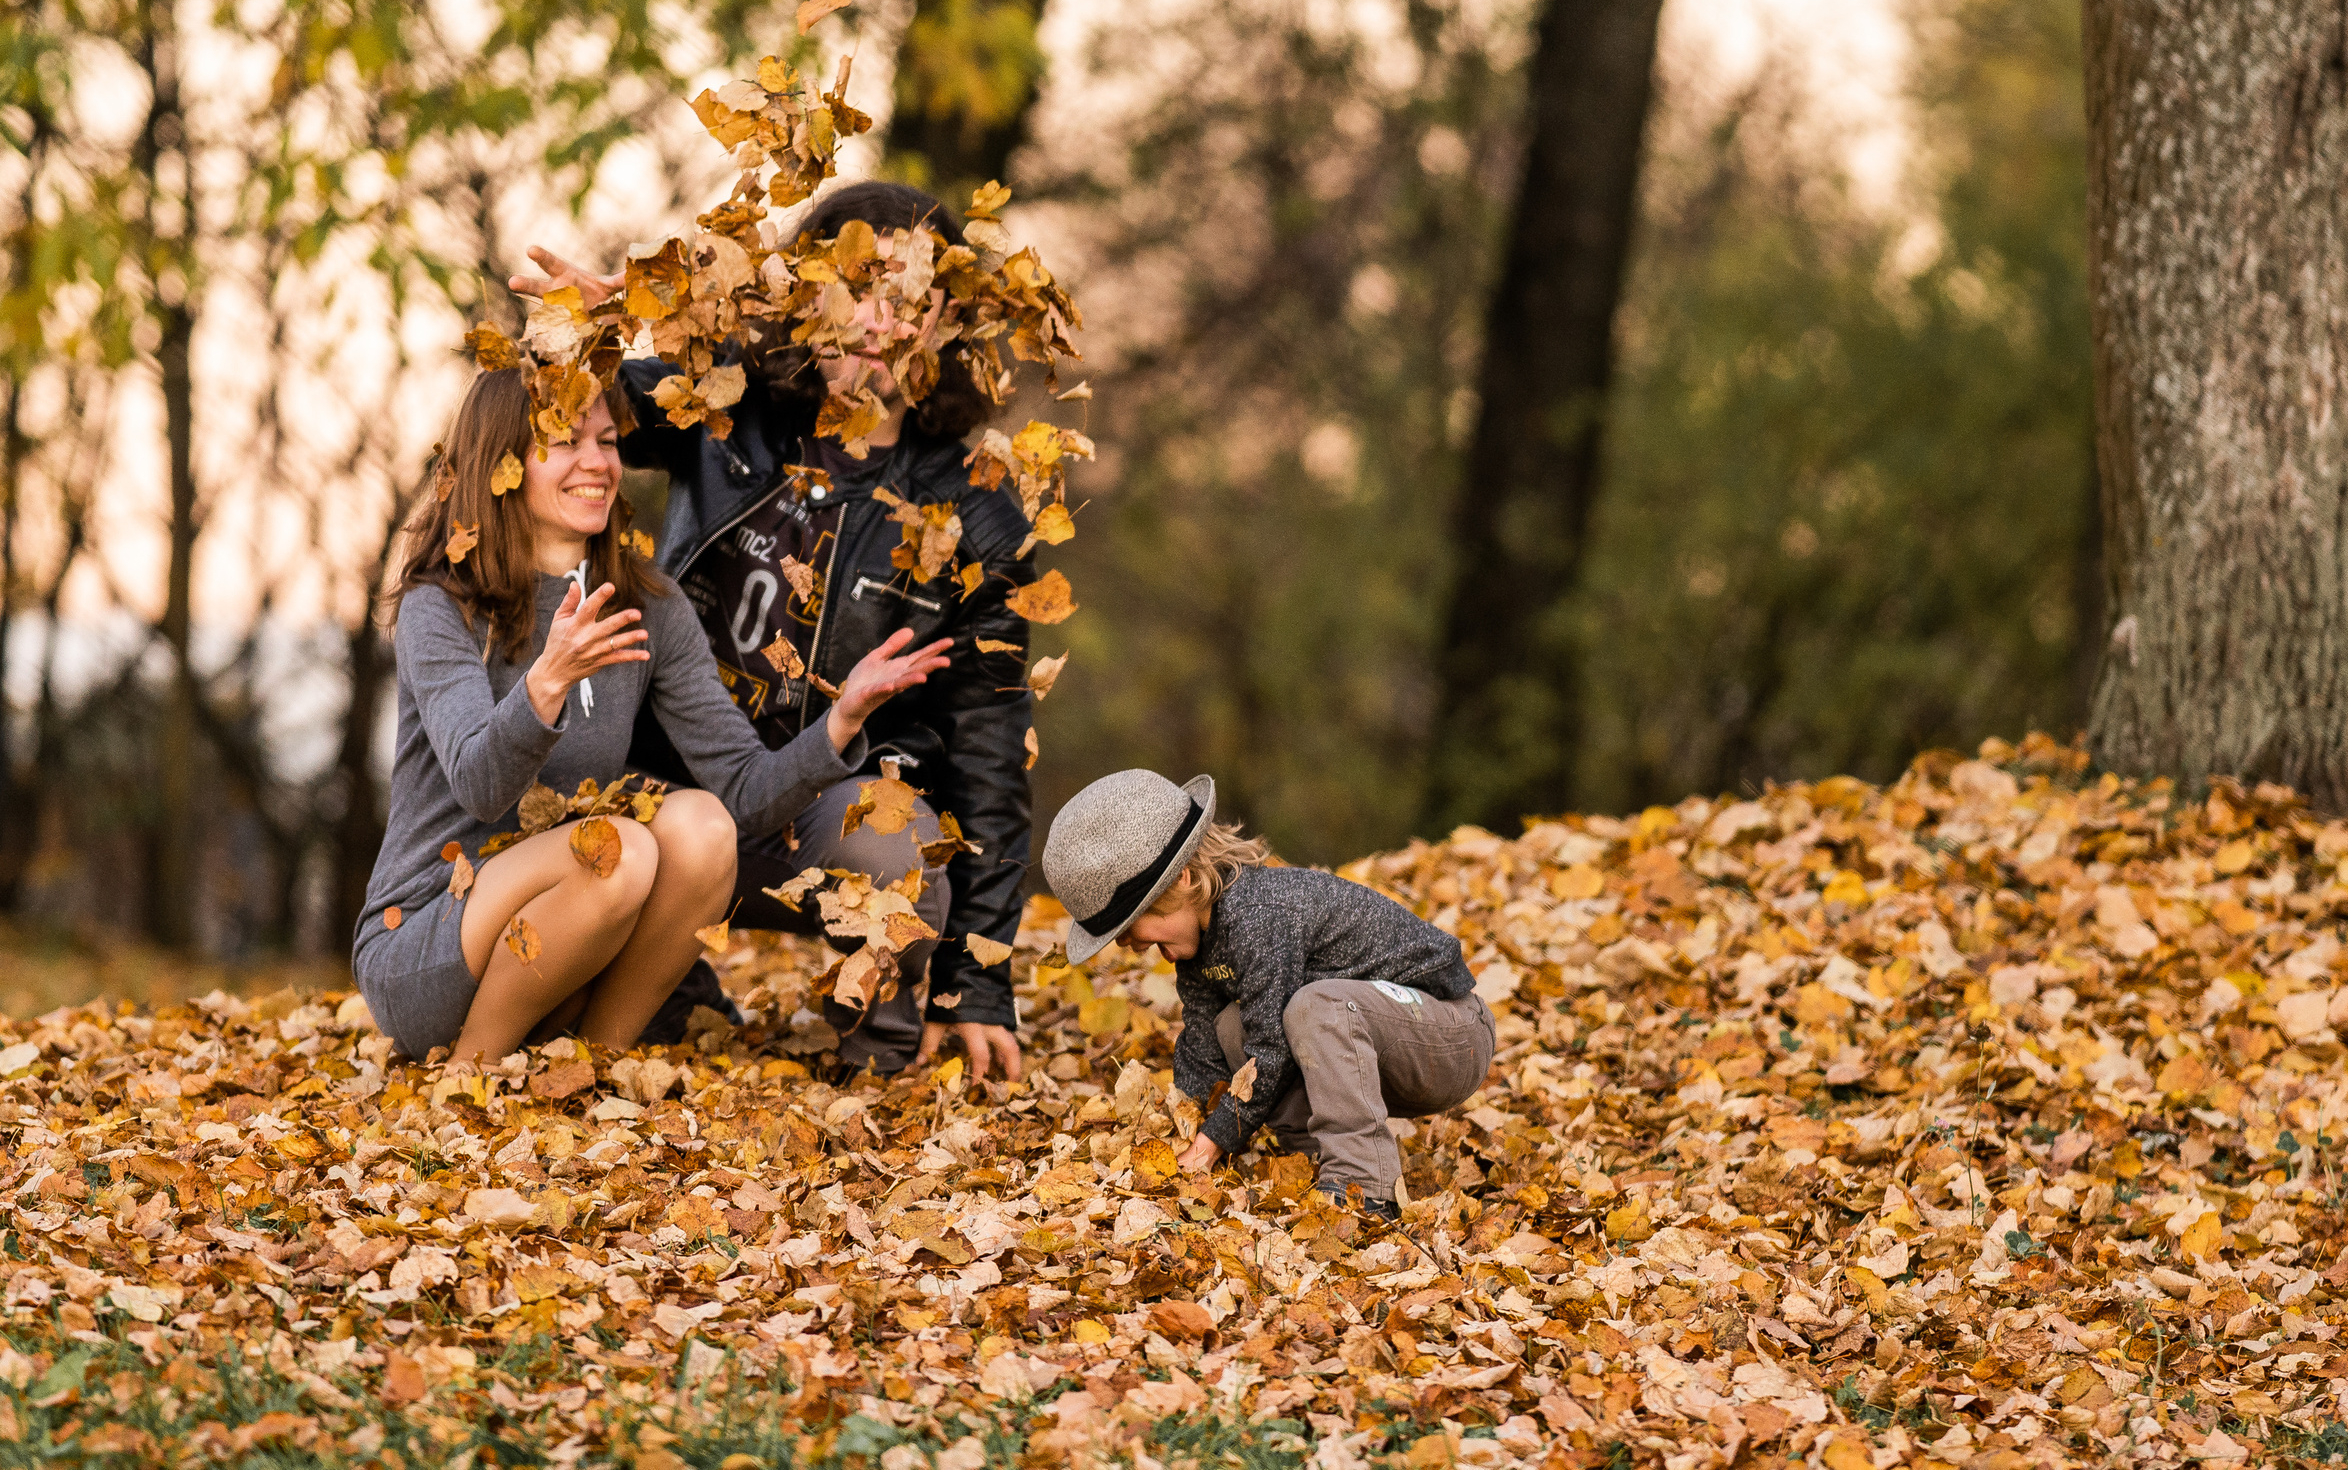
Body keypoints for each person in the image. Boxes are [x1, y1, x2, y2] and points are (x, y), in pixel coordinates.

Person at [508, 181, 1038, 1081]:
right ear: (803, 292)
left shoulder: (979, 515)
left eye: (908, 295)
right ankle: (668, 994)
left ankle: (878, 1065)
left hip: (822, 810)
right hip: (668, 797)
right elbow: (575, 425)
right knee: (596, 901)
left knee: (903, 842)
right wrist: (589, 339)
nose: (877, 319)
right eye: (854, 285)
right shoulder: (727, 404)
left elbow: (991, 754)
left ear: (947, 318)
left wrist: (974, 986)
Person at [355, 368, 950, 1065]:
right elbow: (481, 788)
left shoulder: (649, 605)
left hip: (570, 944)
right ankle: (470, 1075)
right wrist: (546, 682)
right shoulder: (442, 604)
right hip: (428, 937)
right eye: (565, 441)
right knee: (620, 851)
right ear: (501, 463)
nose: (597, 463)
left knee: (703, 826)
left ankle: (597, 1063)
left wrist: (841, 720)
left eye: (608, 441)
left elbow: (745, 791)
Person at [1043, 769, 1496, 1217]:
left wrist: (1215, 1140)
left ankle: (1365, 1186)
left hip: (1450, 1037)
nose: (1133, 944)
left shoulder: (1259, 914)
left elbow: (1271, 1051)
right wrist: (1181, 1123)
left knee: (1314, 1009)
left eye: (1133, 926)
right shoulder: (1200, 940)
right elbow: (1202, 1044)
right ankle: (1314, 1156)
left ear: (1182, 878)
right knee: (1228, 1026)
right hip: (1380, 1047)